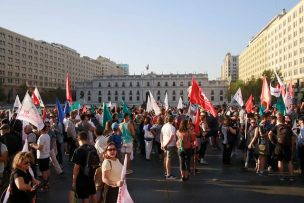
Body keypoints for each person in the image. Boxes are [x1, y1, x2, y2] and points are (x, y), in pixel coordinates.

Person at [71, 131, 97, 203]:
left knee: (85, 196)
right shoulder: (92, 148)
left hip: (82, 177)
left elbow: (76, 167)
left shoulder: (78, 150)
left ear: (78, 139)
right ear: (86, 138)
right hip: (91, 174)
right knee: (93, 193)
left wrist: (74, 181)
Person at [268, 112, 295, 181]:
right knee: (289, 161)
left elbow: (269, 133)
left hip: (279, 146)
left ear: (278, 120)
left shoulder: (277, 126)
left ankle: (281, 176)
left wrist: (272, 141)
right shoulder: (288, 127)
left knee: (280, 161)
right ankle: (291, 176)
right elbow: (292, 138)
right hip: (287, 146)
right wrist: (291, 146)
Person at [30, 124, 51, 191]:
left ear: (41, 129)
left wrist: (32, 145)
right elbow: (42, 145)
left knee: (44, 171)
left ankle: (45, 185)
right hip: (46, 155)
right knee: (47, 169)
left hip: (42, 156)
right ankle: (47, 182)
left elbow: (40, 148)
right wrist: (35, 144)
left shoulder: (42, 137)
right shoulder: (47, 135)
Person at [160, 115, 177, 179]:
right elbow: (172, 137)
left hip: (165, 144)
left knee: (165, 158)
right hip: (169, 145)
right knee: (168, 159)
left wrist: (162, 144)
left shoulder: (164, 126)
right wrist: (166, 144)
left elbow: (161, 135)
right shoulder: (172, 127)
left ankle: (166, 172)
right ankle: (168, 174)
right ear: (172, 120)